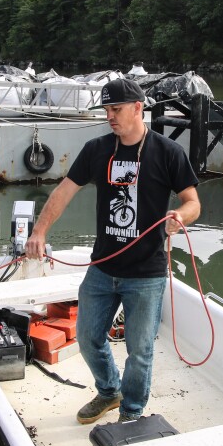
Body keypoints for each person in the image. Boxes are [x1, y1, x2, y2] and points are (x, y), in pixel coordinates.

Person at [25, 78, 201, 424]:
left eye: (116, 109)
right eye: (106, 110)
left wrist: (181, 216)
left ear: (138, 108)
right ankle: (109, 391)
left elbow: (193, 202)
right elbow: (63, 191)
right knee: (89, 338)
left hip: (147, 273)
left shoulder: (168, 152)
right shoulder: (97, 150)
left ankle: (132, 412)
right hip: (103, 268)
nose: (109, 116)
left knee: (140, 352)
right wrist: (39, 232)